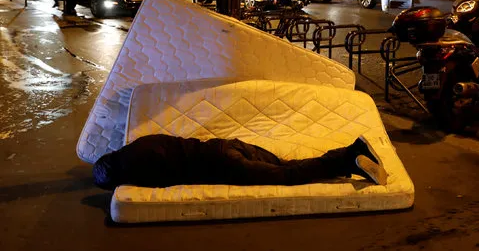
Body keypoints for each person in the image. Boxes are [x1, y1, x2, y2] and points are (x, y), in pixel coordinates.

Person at [93, 134, 387, 190]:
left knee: (288, 175)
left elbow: (167, 179)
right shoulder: (139, 144)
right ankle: (350, 153)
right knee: (289, 165)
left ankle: (350, 158)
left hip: (224, 166)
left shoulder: (135, 168)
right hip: (227, 146)